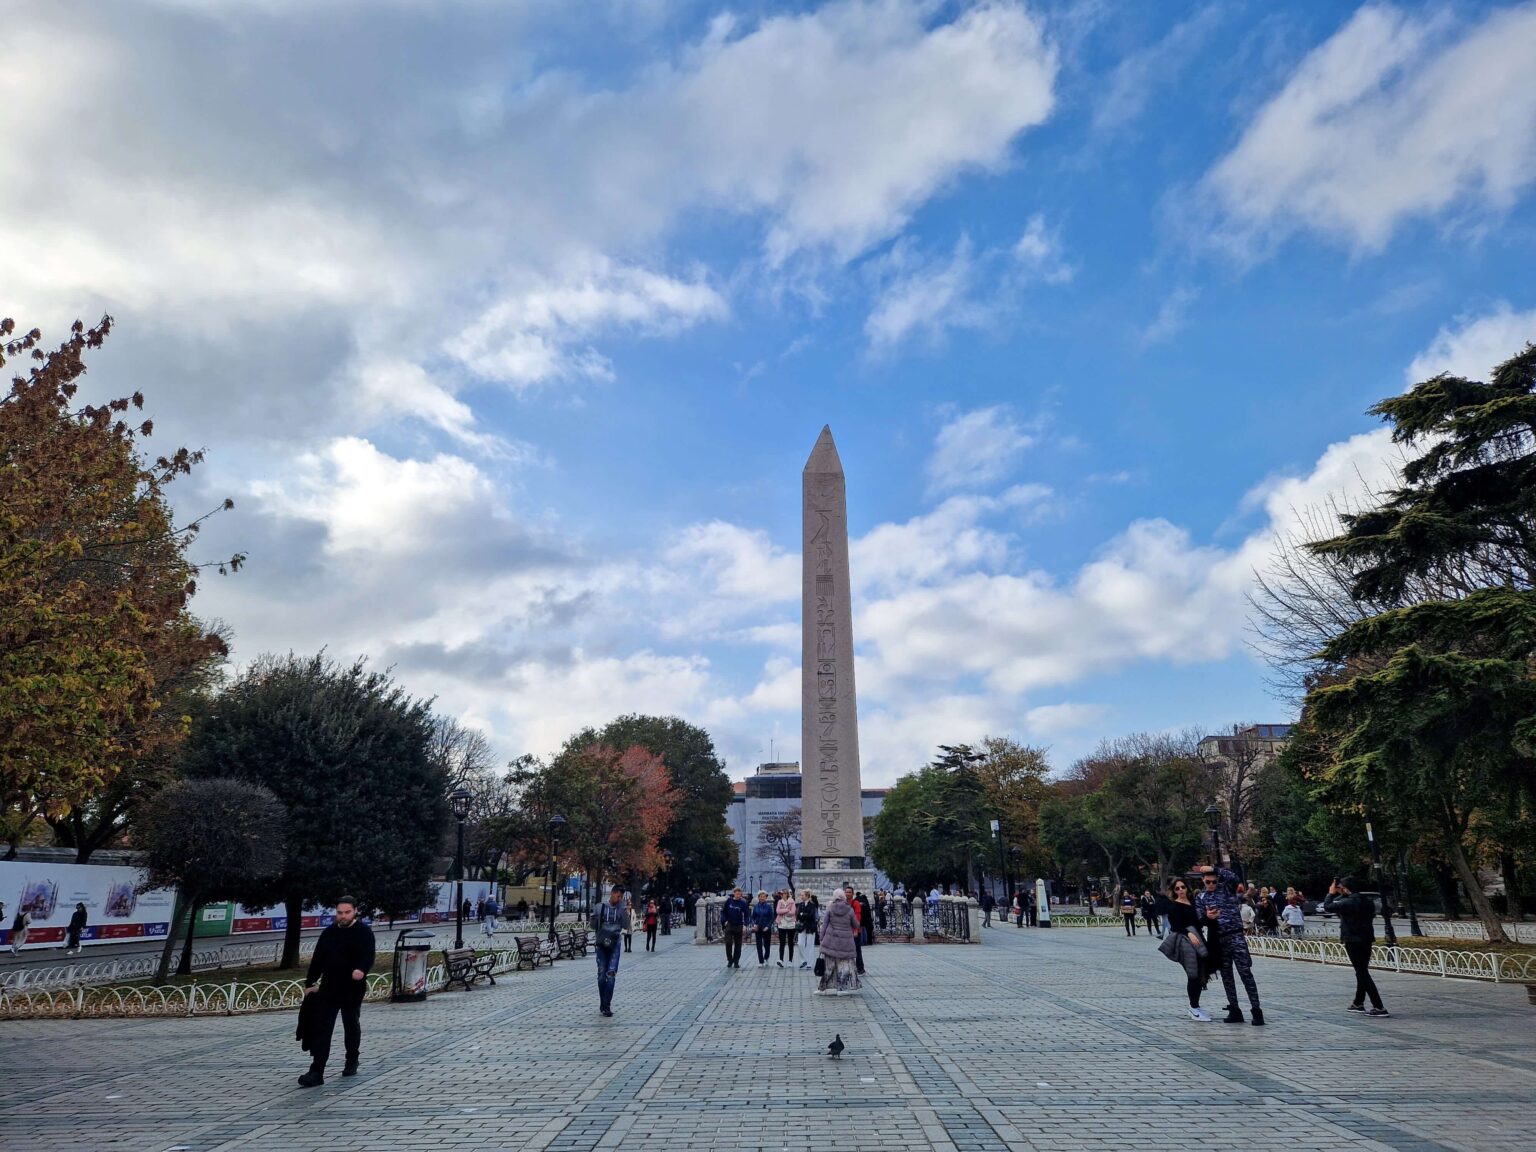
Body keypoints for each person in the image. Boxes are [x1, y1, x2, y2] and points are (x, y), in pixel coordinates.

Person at [298, 896, 375, 1087]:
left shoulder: (364, 932)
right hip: (329, 986)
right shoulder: (329, 933)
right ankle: (317, 1070)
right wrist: (309, 982)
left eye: (347, 912)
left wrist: (361, 969)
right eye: (339, 913)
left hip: (352, 988)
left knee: (351, 1023)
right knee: (322, 1028)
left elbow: (368, 955)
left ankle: (352, 1059)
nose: (343, 916)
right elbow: (317, 959)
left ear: (355, 911)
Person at [1195, 865, 1264, 1026]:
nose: (1211, 884)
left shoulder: (1226, 889)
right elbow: (1199, 918)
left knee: (1245, 973)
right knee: (1227, 976)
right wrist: (1207, 917)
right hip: (1219, 939)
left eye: (1213, 881)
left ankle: (1256, 1010)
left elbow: (1234, 877)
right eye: (1208, 882)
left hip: (1236, 936)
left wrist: (1214, 868)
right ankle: (1234, 1009)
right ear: (1203, 881)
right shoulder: (1202, 897)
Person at [1326, 877, 1389, 1017]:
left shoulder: (1347, 902)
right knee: (1362, 970)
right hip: (1366, 938)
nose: (1339, 889)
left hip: (1352, 940)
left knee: (1362, 972)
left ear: (1346, 888)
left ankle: (1379, 1006)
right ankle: (1358, 1003)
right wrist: (1342, 891)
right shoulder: (1367, 901)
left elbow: (1327, 906)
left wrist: (1331, 893)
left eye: (1341, 887)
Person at [1161, 877, 1211, 1021]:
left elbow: (1199, 922)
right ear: (1173, 891)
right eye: (1177, 888)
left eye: (1183, 887)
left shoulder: (1193, 903)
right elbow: (1175, 926)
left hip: (1199, 938)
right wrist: (1189, 933)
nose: (1181, 890)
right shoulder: (1174, 906)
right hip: (1186, 941)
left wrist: (1207, 917)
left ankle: (1196, 1005)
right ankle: (1193, 1007)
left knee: (1202, 972)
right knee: (1193, 973)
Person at [591, 886, 629, 1017]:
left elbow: (626, 925)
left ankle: (606, 1006)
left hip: (615, 944)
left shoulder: (621, 908)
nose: (619, 899)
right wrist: (594, 919)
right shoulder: (600, 907)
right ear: (612, 894)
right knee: (602, 974)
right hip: (602, 944)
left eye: (621, 897)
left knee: (611, 974)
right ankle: (603, 1002)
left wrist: (623, 910)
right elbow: (593, 926)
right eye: (618, 896)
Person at [815, 889, 861, 995]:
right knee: (843, 966)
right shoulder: (849, 909)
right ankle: (842, 989)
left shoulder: (830, 908)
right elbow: (856, 925)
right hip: (845, 942)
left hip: (830, 941)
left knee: (829, 966)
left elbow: (825, 924)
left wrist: (821, 938)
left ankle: (822, 988)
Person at [721, 887, 750, 969]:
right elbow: (723, 912)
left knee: (738, 945)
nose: (738, 895)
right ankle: (730, 960)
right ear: (734, 893)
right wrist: (725, 921)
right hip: (729, 924)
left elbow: (747, 914)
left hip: (739, 925)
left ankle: (736, 961)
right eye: (736, 894)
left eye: (739, 894)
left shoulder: (743, 903)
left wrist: (745, 924)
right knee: (728, 943)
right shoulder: (729, 901)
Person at [751, 890, 775, 966]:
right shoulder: (756, 907)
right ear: (758, 897)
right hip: (758, 927)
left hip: (766, 928)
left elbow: (772, 917)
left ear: (766, 898)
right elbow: (752, 917)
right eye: (760, 896)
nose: (762, 898)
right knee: (759, 945)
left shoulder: (768, 907)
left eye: (764, 897)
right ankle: (761, 961)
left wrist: (768, 926)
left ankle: (766, 957)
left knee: (767, 945)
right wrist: (754, 925)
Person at [774, 889, 797, 967]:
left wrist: (783, 911)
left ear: (787, 894)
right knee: (782, 942)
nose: (783, 895)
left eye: (784, 893)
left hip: (791, 924)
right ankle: (781, 959)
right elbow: (777, 911)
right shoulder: (779, 902)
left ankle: (790, 960)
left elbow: (793, 912)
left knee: (790, 943)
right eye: (782, 893)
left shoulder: (792, 901)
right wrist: (787, 910)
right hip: (782, 924)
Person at [796, 890, 818, 969]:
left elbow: (811, 915)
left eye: (802, 895)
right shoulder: (800, 904)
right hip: (802, 926)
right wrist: (803, 915)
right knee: (800, 943)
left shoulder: (812, 905)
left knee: (810, 945)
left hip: (810, 926)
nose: (801, 897)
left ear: (807, 896)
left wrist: (803, 914)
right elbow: (798, 915)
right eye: (801, 895)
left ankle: (809, 963)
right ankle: (804, 960)